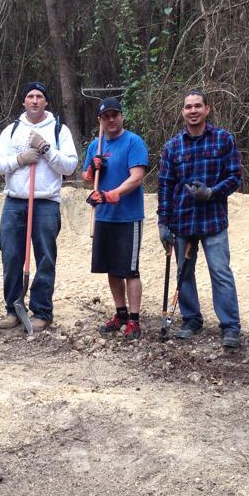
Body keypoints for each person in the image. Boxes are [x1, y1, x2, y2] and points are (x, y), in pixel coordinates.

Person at [157, 90, 244, 349]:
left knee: (220, 272)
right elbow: (165, 186)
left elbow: (235, 177)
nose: (192, 111)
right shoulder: (172, 146)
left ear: (207, 109)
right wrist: (163, 222)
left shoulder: (223, 139)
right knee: (184, 274)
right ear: (182, 112)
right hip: (182, 221)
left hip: (213, 220)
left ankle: (230, 326)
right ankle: (191, 320)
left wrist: (212, 192)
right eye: (188, 107)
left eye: (198, 106)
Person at [0, 81, 78, 330]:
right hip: (15, 202)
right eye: (30, 96)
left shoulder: (60, 130)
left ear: (46, 102)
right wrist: (20, 159)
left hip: (46, 203)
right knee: (11, 256)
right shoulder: (12, 130)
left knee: (45, 258)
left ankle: (42, 311)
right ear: (24, 102)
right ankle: (13, 309)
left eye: (40, 96)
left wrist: (46, 149)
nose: (35, 100)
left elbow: (70, 167)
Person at [82, 98, 149, 340]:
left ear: (121, 116)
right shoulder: (95, 146)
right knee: (112, 269)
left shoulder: (133, 142)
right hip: (103, 217)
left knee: (130, 270)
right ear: (100, 120)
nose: (111, 120)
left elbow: (137, 177)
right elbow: (86, 178)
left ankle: (134, 320)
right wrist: (92, 169)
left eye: (115, 115)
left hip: (127, 217)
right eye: (105, 116)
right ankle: (120, 313)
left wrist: (110, 195)